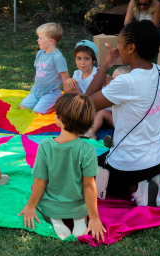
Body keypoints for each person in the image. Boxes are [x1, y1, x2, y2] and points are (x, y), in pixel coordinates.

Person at [85, 20, 160, 207]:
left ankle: (136, 189)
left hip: (129, 166)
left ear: (131, 48)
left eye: (120, 43)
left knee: (79, 171)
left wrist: (106, 65)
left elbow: (86, 103)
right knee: (100, 159)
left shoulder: (127, 81)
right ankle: (150, 181)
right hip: (157, 161)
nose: (117, 48)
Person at [18, 93, 106, 241]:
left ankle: (55, 218)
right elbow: (89, 186)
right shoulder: (88, 150)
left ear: (60, 119)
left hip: (50, 205)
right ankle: (79, 219)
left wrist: (31, 205)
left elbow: (40, 181)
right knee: (79, 210)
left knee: (47, 206)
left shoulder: (45, 146)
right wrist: (94, 217)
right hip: (79, 207)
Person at [19, 23, 71, 114]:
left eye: (40, 38)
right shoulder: (39, 53)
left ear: (51, 41)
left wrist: (66, 97)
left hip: (50, 93)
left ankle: (55, 106)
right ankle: (41, 102)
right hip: (36, 91)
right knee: (22, 107)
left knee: (37, 112)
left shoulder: (58, 58)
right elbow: (39, 71)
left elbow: (65, 77)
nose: (37, 40)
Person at [83, 66, 131, 140]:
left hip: (128, 124)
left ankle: (117, 139)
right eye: (112, 78)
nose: (113, 82)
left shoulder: (126, 93)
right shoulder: (113, 89)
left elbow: (89, 103)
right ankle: (91, 132)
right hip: (117, 120)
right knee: (101, 112)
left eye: (116, 80)